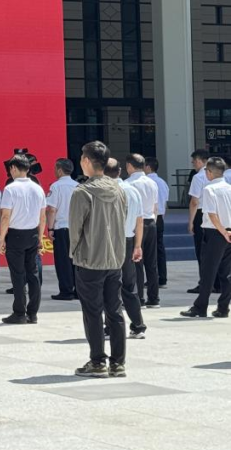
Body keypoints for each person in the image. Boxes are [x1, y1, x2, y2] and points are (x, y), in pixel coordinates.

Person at [69, 141, 128, 379]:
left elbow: (75, 230)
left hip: (89, 260)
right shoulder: (119, 190)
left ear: (86, 161)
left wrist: (74, 253)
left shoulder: (82, 192)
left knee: (92, 312)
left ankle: (97, 362)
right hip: (114, 258)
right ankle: (118, 363)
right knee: (115, 310)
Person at [181, 156, 231, 318]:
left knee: (208, 271)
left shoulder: (209, 189)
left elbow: (212, 214)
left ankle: (200, 306)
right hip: (228, 232)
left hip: (215, 233)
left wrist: (222, 232)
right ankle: (223, 307)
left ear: (209, 172)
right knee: (226, 273)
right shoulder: (229, 188)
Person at [0, 154, 45, 325]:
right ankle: (33, 313)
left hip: (15, 234)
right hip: (32, 234)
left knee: (18, 275)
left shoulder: (10, 189)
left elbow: (5, 216)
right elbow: (42, 216)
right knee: (33, 274)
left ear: (13, 168)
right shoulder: (38, 188)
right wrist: (40, 237)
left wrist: (1, 239)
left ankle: (19, 312)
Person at [105, 159, 146, 339]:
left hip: (110, 242)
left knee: (109, 285)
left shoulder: (106, 191)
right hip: (128, 240)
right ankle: (138, 325)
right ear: (120, 170)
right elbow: (139, 220)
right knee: (129, 286)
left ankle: (110, 327)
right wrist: (138, 245)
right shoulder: (132, 190)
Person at [125, 154, 160, 308]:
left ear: (129, 166)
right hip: (151, 222)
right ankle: (154, 298)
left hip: (136, 224)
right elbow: (155, 206)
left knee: (136, 262)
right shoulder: (152, 183)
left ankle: (139, 298)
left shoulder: (128, 184)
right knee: (152, 263)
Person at [46, 159, 79, 301]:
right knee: (76, 261)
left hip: (62, 228)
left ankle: (66, 291)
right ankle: (78, 290)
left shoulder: (56, 186)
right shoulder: (78, 186)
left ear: (59, 170)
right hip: (77, 228)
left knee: (63, 261)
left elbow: (52, 209)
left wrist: (50, 228)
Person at [187, 150, 213, 293]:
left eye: (194, 162)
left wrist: (191, 221)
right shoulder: (218, 175)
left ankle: (204, 283)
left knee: (202, 251)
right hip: (217, 214)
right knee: (215, 251)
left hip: (201, 214)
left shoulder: (198, 177)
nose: (193, 164)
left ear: (199, 161)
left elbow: (194, 201)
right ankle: (217, 282)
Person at [143, 156, 169, 289]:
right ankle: (162, 277)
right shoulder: (162, 182)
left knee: (148, 250)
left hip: (148, 217)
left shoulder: (146, 182)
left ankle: (151, 279)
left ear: (148, 167)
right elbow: (164, 202)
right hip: (159, 218)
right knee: (159, 249)